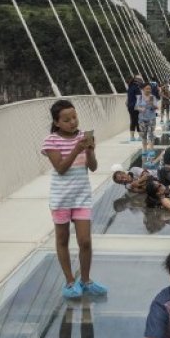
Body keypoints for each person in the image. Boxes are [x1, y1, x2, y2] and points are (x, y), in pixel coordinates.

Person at [42, 100, 108, 299]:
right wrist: (76, 150)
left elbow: (93, 167)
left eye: (74, 117)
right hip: (61, 197)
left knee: (85, 241)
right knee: (62, 239)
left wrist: (89, 151)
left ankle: (86, 280)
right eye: (67, 119)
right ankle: (70, 282)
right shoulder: (50, 141)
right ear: (57, 122)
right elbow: (60, 168)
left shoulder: (82, 138)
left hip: (82, 196)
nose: (72, 122)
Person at [135, 83, 159, 155]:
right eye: (147, 89)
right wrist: (140, 109)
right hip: (142, 119)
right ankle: (145, 149)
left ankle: (151, 149)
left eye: (149, 89)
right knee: (143, 134)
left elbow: (156, 107)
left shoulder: (152, 97)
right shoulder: (139, 97)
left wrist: (152, 104)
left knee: (151, 134)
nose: (148, 90)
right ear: (143, 89)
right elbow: (136, 107)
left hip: (151, 118)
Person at [126, 75, 143, 142]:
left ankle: (132, 137)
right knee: (137, 121)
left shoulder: (131, 87)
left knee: (133, 121)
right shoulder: (135, 87)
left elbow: (136, 97)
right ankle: (139, 136)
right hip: (134, 107)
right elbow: (138, 97)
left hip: (131, 106)